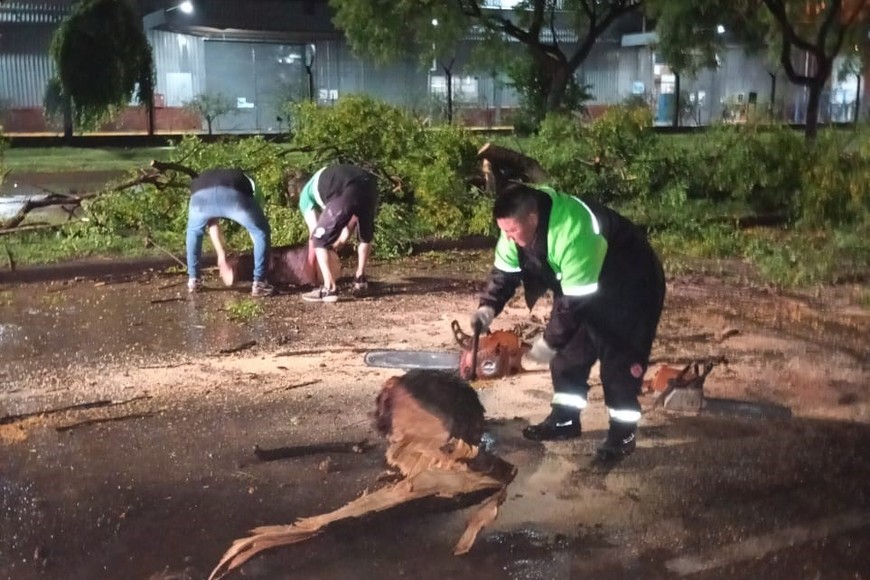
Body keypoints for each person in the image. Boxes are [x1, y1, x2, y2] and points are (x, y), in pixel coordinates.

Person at [471, 182, 665, 461]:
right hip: (582, 283)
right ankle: (565, 420)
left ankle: (623, 434)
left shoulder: (573, 231)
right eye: (504, 231)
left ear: (532, 219)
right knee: (568, 357)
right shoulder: (514, 228)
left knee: (619, 364)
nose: (508, 237)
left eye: (512, 231)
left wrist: (548, 343)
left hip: (631, 286)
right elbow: (504, 273)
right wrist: (487, 307)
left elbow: (573, 304)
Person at [291, 164, 378, 303]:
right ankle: (360, 281)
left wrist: (311, 264)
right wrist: (342, 240)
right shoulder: (328, 183)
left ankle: (329, 289)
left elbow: (315, 233)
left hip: (349, 188)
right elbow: (352, 217)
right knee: (365, 237)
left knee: (320, 239)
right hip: (369, 184)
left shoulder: (305, 195)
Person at [186, 168, 275, 297]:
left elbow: (212, 224)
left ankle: (193, 280)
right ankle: (260, 283)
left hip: (200, 194)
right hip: (233, 194)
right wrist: (263, 252)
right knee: (261, 231)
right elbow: (256, 230)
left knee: (194, 232)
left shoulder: (208, 176)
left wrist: (221, 255)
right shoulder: (252, 184)